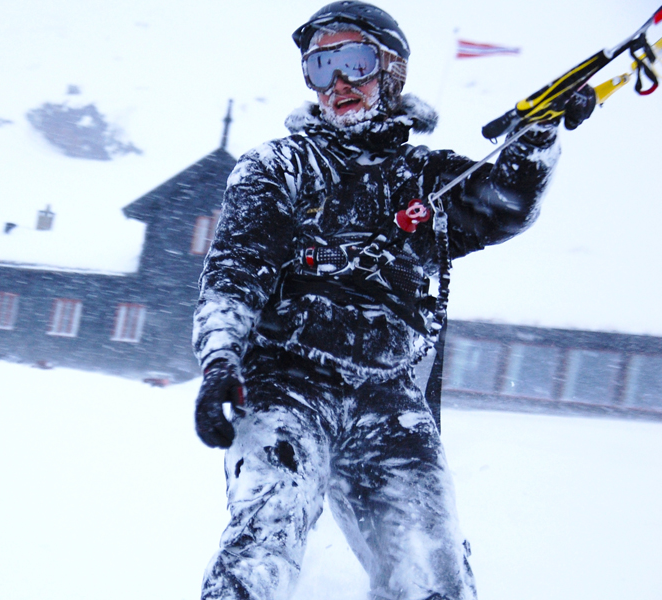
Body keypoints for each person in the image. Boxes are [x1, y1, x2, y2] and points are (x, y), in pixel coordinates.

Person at [191, 2, 595, 600]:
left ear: (392, 71)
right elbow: (235, 269)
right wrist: (221, 360)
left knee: (433, 574)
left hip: (389, 401)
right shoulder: (279, 169)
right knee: (265, 535)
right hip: (286, 384)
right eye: (320, 66)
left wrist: (534, 139)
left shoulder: (427, 181)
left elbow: (503, 203)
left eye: (353, 61)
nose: (339, 84)